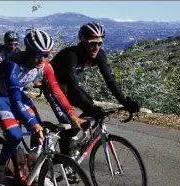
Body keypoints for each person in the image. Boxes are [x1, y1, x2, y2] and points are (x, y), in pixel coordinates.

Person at [0, 29, 83, 186]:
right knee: (15, 135)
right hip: (0, 97)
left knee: (42, 134)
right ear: (29, 51)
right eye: (38, 55)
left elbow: (56, 91)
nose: (42, 59)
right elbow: (15, 98)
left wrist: (72, 116)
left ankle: (35, 170)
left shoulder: (44, 65)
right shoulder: (12, 64)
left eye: (46, 55)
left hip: (18, 95)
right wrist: (32, 125)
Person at [49, 22, 140, 155]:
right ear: (84, 41)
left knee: (90, 110)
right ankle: (64, 157)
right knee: (69, 121)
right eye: (92, 43)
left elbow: (110, 81)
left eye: (99, 43)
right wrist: (91, 108)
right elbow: (73, 88)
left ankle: (69, 141)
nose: (96, 47)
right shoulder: (71, 55)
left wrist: (125, 102)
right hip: (53, 86)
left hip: (68, 85)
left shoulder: (99, 55)